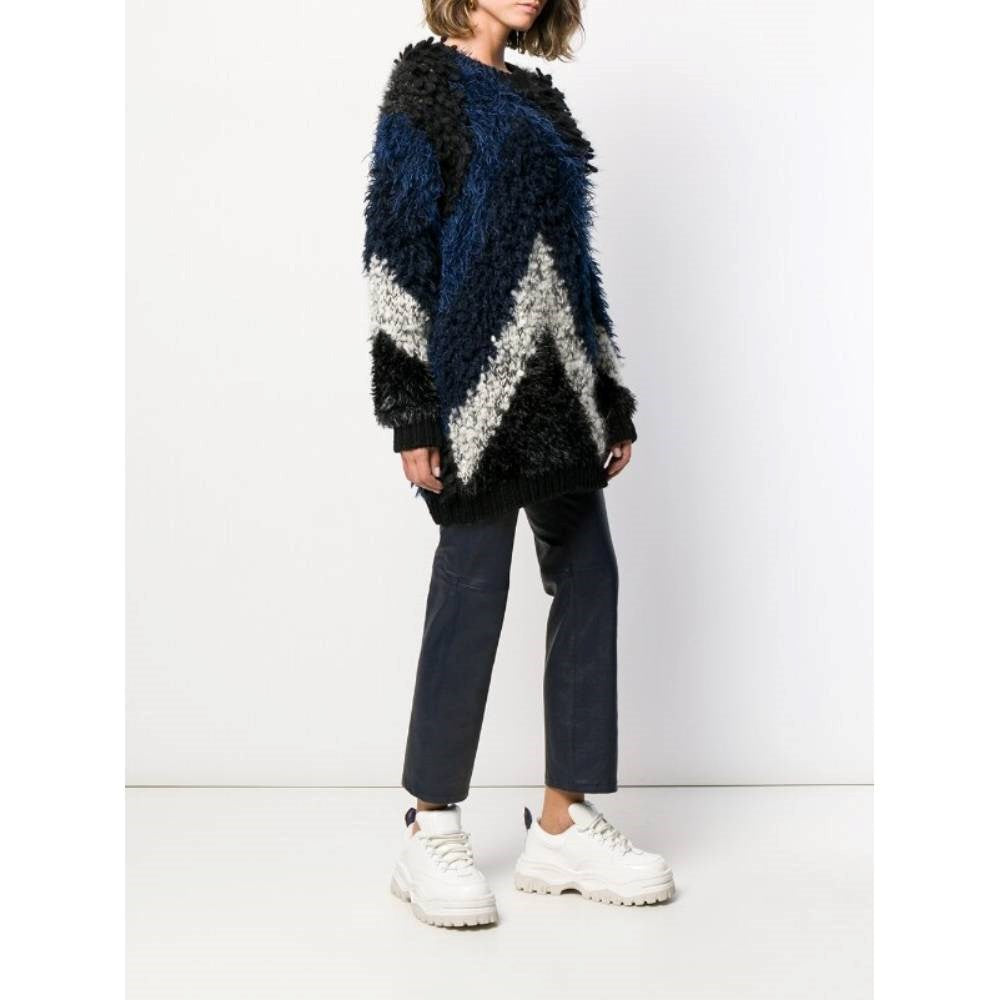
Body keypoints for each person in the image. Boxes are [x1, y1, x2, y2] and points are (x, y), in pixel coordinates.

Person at [363, 0, 674, 928]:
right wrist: (410, 405)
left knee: (590, 573)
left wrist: (607, 390)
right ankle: (429, 825)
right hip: (472, 388)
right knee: (472, 584)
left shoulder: (542, 100)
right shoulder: (425, 85)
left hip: (563, 388)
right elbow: (395, 248)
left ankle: (564, 823)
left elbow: (577, 264)